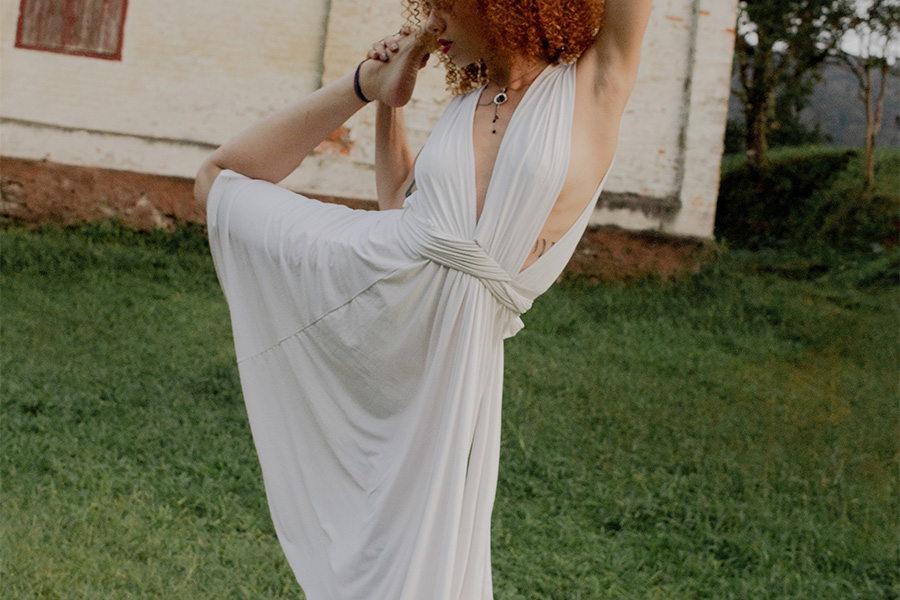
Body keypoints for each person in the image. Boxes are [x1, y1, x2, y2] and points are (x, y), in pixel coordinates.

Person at [194, 0, 651, 597]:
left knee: (407, 553)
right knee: (218, 181)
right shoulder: (467, 106)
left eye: (442, 6)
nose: (430, 24)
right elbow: (402, 203)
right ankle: (357, 83)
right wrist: (383, 95)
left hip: (440, 339)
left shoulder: (596, 81)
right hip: (388, 275)